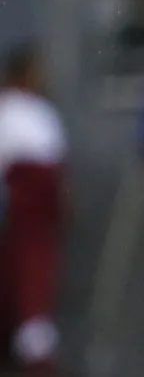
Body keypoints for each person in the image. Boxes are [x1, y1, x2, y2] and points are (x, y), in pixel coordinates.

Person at [0, 43, 66, 377]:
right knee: (26, 286)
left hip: (41, 214)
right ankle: (33, 358)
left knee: (35, 284)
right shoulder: (9, 109)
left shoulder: (40, 109)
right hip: (19, 214)